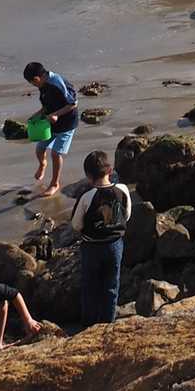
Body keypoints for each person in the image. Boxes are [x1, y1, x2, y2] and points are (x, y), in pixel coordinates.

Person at [71, 150, 131, 327]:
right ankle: (108, 321)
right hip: (115, 244)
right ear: (110, 171)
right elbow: (127, 215)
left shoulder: (87, 196)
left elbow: (76, 224)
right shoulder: (122, 190)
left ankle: (88, 324)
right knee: (111, 284)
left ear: (88, 176)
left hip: (92, 246)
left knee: (90, 286)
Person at [23, 61, 80, 197]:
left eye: (32, 83)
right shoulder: (43, 84)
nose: (34, 86)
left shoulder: (56, 83)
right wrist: (36, 115)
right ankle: (43, 164)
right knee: (40, 148)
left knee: (55, 153)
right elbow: (46, 106)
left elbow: (73, 103)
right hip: (51, 123)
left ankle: (55, 184)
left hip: (67, 123)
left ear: (37, 79)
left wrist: (56, 114)